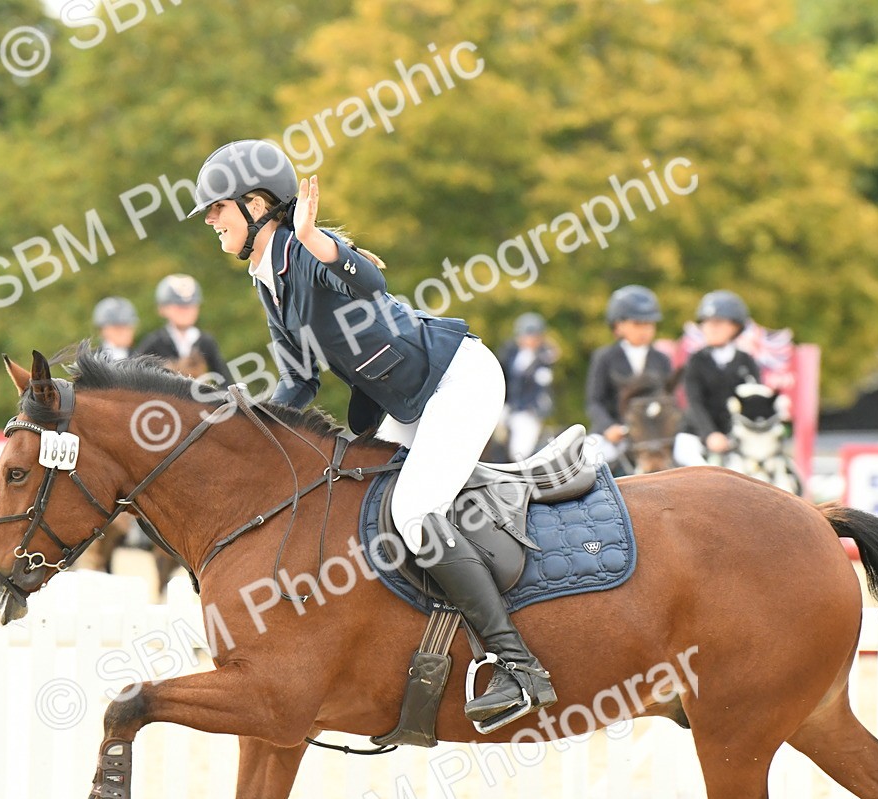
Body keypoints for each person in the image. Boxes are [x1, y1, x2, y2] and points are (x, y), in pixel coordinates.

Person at [188, 139, 555, 724]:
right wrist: (246, 431)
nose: (209, 221)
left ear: (257, 205)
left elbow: (367, 286)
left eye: (218, 209)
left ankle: (518, 666)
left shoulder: (302, 251)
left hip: (456, 381)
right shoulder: (267, 278)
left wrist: (315, 239)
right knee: (369, 503)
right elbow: (300, 381)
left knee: (412, 513)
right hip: (410, 402)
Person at [585, 285, 672, 466]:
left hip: (652, 436)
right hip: (616, 433)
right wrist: (608, 427)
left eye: (649, 324)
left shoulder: (661, 359)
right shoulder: (605, 357)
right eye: (637, 324)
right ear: (618, 325)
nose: (644, 330)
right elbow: (594, 402)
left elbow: (668, 401)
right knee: (590, 457)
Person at [673, 291, 761, 467]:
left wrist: (735, 435)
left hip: (734, 436)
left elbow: (753, 402)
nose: (711, 328)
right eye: (706, 323)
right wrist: (710, 434)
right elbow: (694, 402)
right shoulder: (696, 361)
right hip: (696, 433)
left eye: (718, 323)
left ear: (735, 327)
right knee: (688, 458)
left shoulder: (746, 361)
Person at [134, 275, 233, 384]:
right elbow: (134, 375)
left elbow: (225, 381)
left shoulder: (206, 341)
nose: (185, 311)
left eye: (190, 306)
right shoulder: (155, 342)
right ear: (162, 308)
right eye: (178, 306)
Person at [495, 312, 559, 461]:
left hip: (529, 409)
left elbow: (541, 386)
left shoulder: (545, 357)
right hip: (508, 406)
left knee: (520, 450)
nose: (526, 340)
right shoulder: (510, 353)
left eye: (531, 336)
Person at [91, 296, 139, 361]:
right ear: (102, 330)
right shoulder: (92, 359)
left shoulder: (140, 357)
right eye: (117, 328)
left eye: (127, 327)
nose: (124, 332)